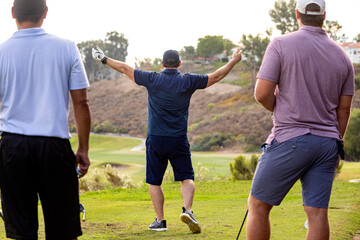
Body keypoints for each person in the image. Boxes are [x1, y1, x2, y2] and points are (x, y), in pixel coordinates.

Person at [92, 46, 242, 233]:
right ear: (179, 64)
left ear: (162, 64)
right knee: (186, 177)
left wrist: (104, 58)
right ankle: (187, 210)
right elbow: (217, 76)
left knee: (155, 181)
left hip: (156, 139)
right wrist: (234, 61)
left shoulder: (152, 78)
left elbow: (124, 68)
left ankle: (160, 222)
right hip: (178, 139)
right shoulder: (188, 80)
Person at [246, 0, 354, 239]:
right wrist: (336, 145)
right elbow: (344, 110)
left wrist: (281, 109)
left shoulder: (280, 44)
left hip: (291, 138)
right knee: (317, 214)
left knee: (258, 206)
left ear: (297, 13)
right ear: (324, 16)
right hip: (327, 144)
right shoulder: (343, 56)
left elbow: (262, 94)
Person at [0, 0, 91, 239]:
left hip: (13, 147)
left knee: (22, 232)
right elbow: (81, 103)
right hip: (55, 147)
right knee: (63, 231)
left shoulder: (1, 52)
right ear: (45, 13)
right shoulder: (67, 47)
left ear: (12, 13)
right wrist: (83, 148)